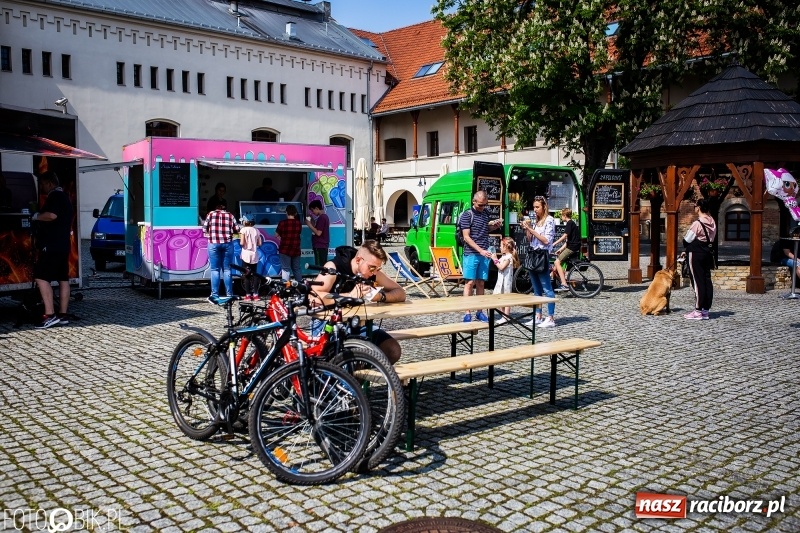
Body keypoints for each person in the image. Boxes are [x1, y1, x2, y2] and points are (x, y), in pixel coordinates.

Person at [312, 240, 406, 364]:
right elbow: (313, 296)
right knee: (350, 359)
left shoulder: (371, 272)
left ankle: (363, 373)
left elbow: (401, 292)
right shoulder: (334, 267)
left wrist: (380, 296)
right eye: (372, 268)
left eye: (378, 268)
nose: (374, 272)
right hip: (328, 324)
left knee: (392, 350)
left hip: (357, 323)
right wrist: (349, 296)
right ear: (358, 260)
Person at [32, 171, 72, 329]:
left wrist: (36, 216)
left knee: (41, 277)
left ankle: (49, 315)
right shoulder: (66, 197)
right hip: (63, 245)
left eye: (42, 184)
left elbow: (52, 215)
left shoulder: (55, 196)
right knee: (63, 279)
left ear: (49, 183)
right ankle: (63, 315)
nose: (41, 187)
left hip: (52, 245)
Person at [458, 190, 503, 322]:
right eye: (480, 205)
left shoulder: (485, 213)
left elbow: (485, 229)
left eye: (485, 204)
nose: (483, 207)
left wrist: (494, 227)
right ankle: (467, 312)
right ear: (474, 202)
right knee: (469, 283)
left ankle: (479, 311)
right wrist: (480, 250)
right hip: (471, 253)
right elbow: (466, 237)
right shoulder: (467, 215)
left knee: (481, 283)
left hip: (484, 253)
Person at [521, 196, 556, 328]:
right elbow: (530, 239)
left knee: (547, 287)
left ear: (544, 207)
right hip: (533, 254)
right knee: (536, 289)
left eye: (537, 207)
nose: (535, 210)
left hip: (542, 255)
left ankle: (551, 317)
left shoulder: (549, 220)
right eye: (534, 207)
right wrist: (527, 228)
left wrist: (531, 230)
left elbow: (546, 240)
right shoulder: (536, 221)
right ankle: (538, 315)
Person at [682, 198, 716, 320]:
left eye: (695, 206)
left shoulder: (697, 223)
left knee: (697, 281)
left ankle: (697, 310)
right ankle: (705, 310)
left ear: (699, 208)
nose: (695, 208)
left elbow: (687, 240)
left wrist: (686, 248)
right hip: (707, 253)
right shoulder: (712, 221)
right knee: (706, 280)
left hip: (696, 253)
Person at [203, 197, 240, 301]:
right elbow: (237, 230)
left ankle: (215, 295)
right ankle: (229, 294)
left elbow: (204, 229)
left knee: (215, 269)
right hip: (227, 244)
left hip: (214, 244)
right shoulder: (230, 215)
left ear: (216, 206)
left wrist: (211, 234)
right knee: (227, 269)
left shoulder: (210, 214)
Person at [492, 237, 519, 325]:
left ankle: (506, 316)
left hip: (506, 281)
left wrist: (495, 259)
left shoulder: (508, 257)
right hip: (501, 281)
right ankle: (503, 315)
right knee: (500, 298)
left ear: (506, 247)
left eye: (501, 246)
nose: (500, 247)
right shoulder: (504, 256)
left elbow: (501, 267)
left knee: (506, 299)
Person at [552, 208, 580, 292]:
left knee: (557, 262)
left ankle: (564, 284)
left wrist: (554, 243)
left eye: (561, 215)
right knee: (555, 265)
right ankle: (553, 280)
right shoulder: (572, 223)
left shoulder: (569, 223)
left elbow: (565, 236)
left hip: (572, 247)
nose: (561, 217)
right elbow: (568, 241)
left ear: (564, 215)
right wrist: (560, 249)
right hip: (572, 246)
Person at [276, 204, 303, 283]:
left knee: (285, 269)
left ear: (286, 212)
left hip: (285, 249)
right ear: (295, 213)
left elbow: (276, 235)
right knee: (296, 268)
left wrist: (282, 238)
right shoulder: (299, 224)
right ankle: (300, 286)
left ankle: (286, 286)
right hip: (296, 249)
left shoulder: (282, 223)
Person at [239, 215, 263, 301]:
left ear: (246, 221)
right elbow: (260, 243)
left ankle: (248, 295)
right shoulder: (257, 230)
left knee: (247, 275)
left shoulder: (243, 230)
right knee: (255, 274)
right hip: (254, 254)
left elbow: (242, 243)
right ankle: (256, 294)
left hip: (246, 254)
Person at [305, 199, 330, 266]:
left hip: (319, 245)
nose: (312, 212)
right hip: (322, 246)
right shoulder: (324, 217)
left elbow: (318, 233)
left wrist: (309, 224)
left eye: (312, 210)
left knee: (319, 266)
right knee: (322, 264)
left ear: (317, 208)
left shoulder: (322, 218)